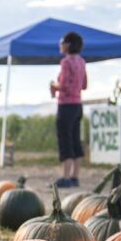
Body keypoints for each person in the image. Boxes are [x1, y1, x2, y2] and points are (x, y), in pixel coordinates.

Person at [51, 32, 88, 188]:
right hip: (78, 105)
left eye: (61, 42)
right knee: (75, 139)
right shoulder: (82, 61)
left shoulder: (66, 62)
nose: (60, 45)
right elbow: (85, 85)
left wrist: (53, 85)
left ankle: (65, 177)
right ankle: (75, 176)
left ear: (68, 45)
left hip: (66, 105)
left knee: (65, 139)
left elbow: (64, 84)